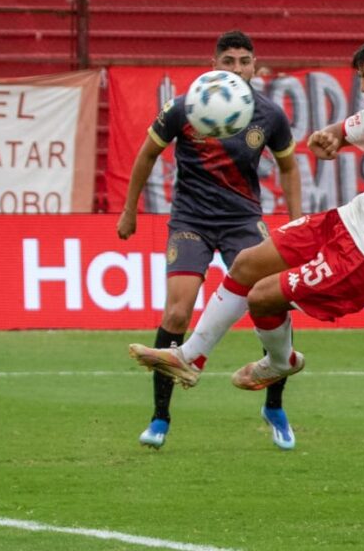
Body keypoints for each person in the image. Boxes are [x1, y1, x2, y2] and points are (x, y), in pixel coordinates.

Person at [129, 30, 364, 401]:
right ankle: (189, 358)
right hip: (349, 220)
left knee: (262, 297)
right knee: (246, 264)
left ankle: (280, 361)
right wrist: (330, 137)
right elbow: (347, 131)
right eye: (361, 79)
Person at [117, 31, 303, 450]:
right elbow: (147, 154)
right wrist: (129, 210)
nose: (237, 68)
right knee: (178, 313)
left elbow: (289, 168)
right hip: (191, 221)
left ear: (255, 66)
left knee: (270, 299)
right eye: (229, 61)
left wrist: (295, 225)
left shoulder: (269, 114)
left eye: (244, 61)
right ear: (214, 64)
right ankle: (160, 417)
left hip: (243, 221)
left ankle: (274, 405)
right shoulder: (185, 107)